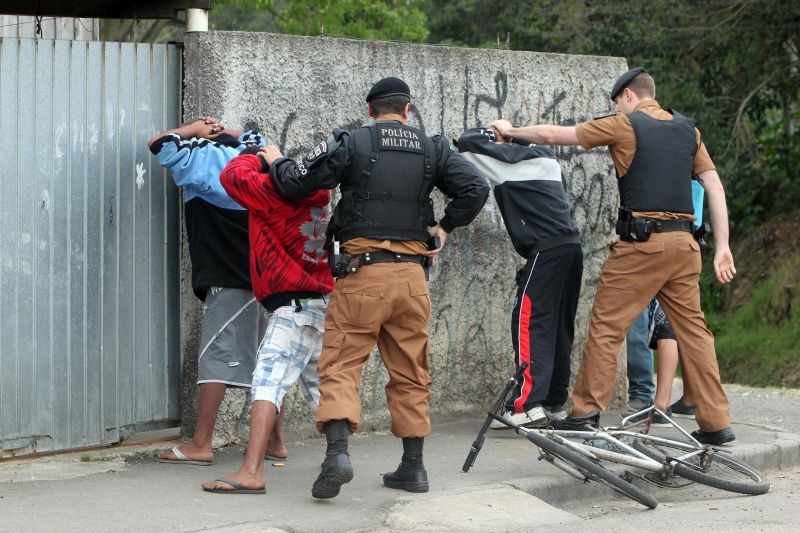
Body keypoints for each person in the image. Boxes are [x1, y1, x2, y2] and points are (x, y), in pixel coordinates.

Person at [264, 77, 489, 499]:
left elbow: (295, 181)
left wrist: (275, 160)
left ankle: (337, 456)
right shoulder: (433, 147)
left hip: (362, 275)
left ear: (370, 111)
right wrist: (444, 226)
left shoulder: (353, 142)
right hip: (412, 280)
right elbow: (476, 188)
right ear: (407, 110)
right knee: (411, 372)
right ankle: (413, 468)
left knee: (341, 365)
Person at [490, 66, 737, 445]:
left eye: (619, 102)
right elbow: (713, 185)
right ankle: (717, 423)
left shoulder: (626, 124)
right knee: (695, 333)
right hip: (686, 247)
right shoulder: (689, 130)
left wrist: (512, 131)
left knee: (607, 326)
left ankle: (585, 412)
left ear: (627, 97)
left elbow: (561, 135)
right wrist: (722, 247)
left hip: (642, 245)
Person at [201, 145, 335, 493]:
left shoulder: (275, 197)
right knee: (325, 390)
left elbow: (232, 177)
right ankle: (339, 456)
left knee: (266, 383)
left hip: (293, 306)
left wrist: (261, 157)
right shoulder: (320, 194)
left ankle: (252, 471)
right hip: (320, 301)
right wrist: (282, 167)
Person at [149, 117, 282, 465]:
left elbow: (160, 145)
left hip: (229, 278)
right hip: (261, 279)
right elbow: (257, 138)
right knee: (264, 363)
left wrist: (193, 128)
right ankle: (274, 441)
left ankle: (201, 443)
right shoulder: (253, 162)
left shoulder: (203, 162)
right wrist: (225, 131)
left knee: (216, 358)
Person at [454, 127, 582, 429]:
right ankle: (552, 403)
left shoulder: (509, 163)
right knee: (557, 329)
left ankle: (527, 405)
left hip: (547, 250)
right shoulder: (548, 158)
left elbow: (468, 143)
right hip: (570, 248)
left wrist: (498, 130)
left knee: (529, 321)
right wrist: (514, 136)